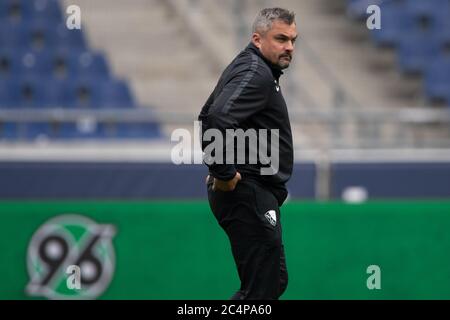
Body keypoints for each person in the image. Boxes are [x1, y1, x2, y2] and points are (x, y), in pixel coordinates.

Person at [198, 7, 297, 300]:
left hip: (253, 192)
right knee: (260, 292)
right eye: (281, 38)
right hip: (247, 191)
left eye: (293, 40)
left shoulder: (253, 69)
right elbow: (215, 119)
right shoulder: (256, 73)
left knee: (273, 283)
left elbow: (207, 114)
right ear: (257, 39)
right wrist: (224, 173)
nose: (289, 47)